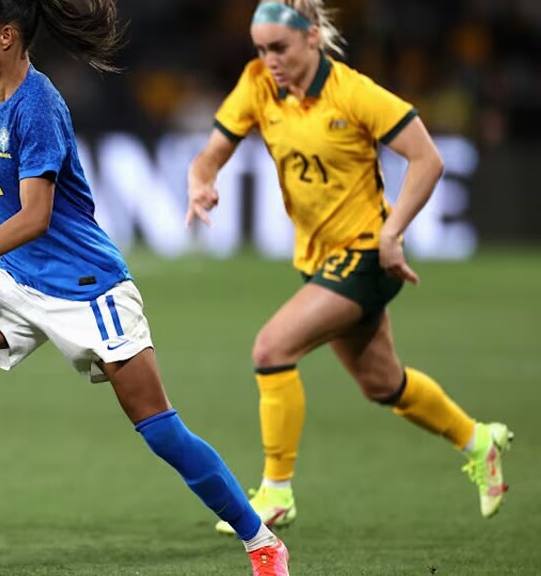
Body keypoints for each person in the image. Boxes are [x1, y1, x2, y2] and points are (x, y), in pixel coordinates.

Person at [0, 0, 290, 573]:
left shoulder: (40, 106)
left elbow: (34, 216)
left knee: (160, 430)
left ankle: (261, 541)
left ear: (6, 36)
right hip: (23, 279)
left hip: (89, 288)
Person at [185, 0, 513, 536]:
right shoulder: (257, 84)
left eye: (280, 48)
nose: (270, 60)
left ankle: (276, 492)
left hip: (367, 254)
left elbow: (428, 158)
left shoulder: (353, 93)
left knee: (272, 349)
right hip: (319, 260)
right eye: (261, 49)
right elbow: (209, 155)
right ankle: (479, 439)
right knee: (384, 383)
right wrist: (200, 181)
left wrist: (392, 231)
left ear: (312, 37)